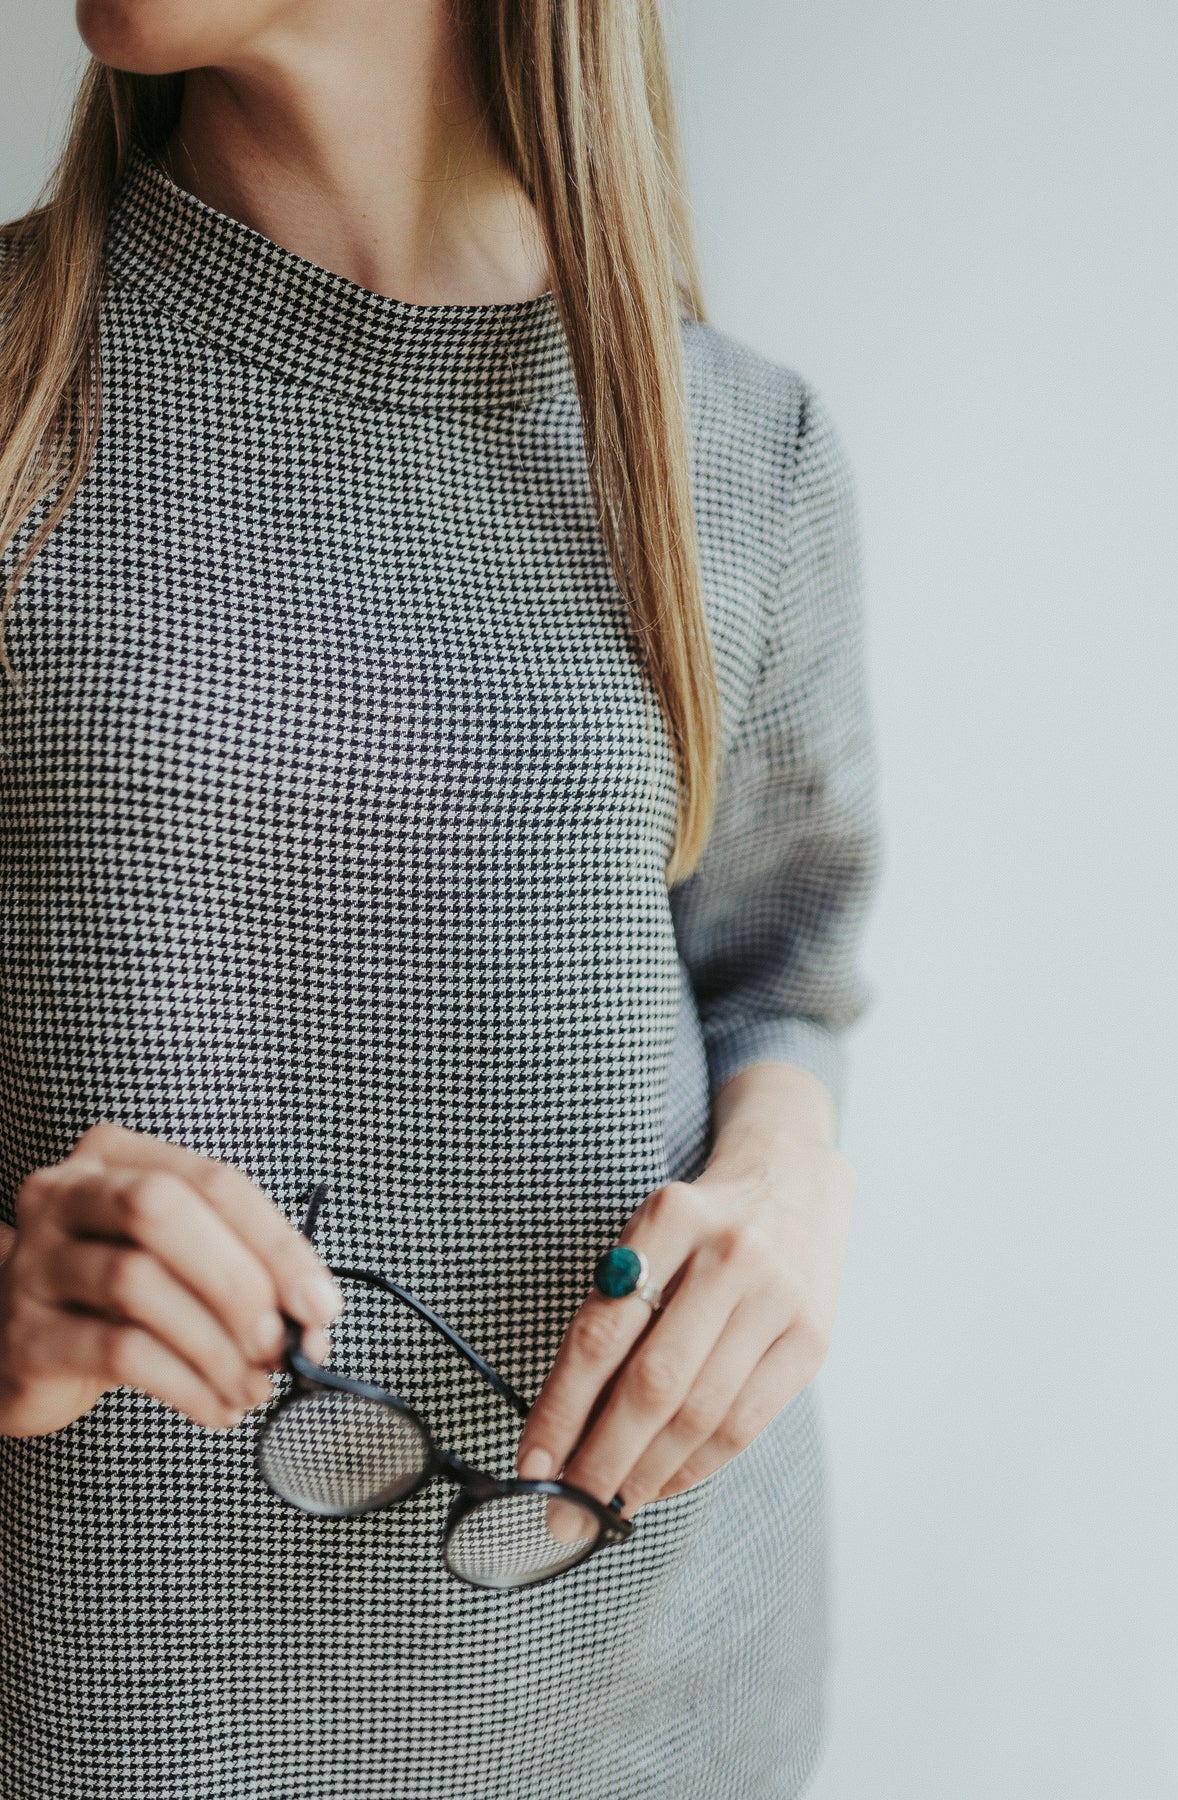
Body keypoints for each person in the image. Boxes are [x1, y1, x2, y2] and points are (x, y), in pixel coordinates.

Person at [0, 2, 883, 1795]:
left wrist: (787, 1183)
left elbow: (781, 972)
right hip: (122, 1723)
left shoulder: (747, 458)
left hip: (664, 1697)